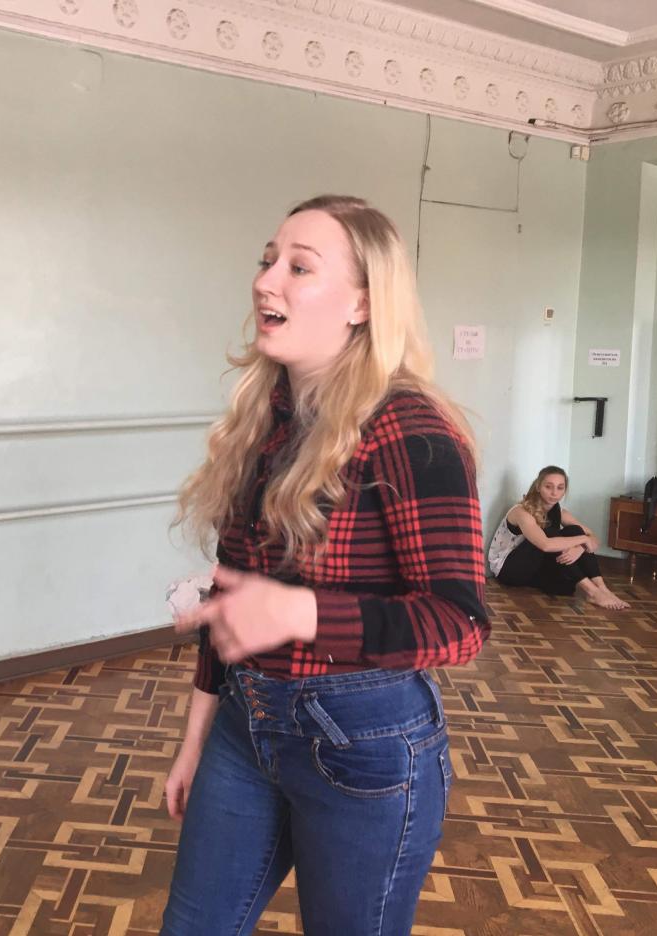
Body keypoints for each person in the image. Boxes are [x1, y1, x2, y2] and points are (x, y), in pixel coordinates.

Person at [162, 195, 490, 936]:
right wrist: (195, 742)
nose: (266, 280)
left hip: (366, 745)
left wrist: (301, 612)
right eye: (267, 260)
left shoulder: (411, 430)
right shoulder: (265, 421)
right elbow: (230, 604)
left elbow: (460, 623)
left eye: (299, 267)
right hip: (246, 725)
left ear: (363, 304)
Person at [487, 466, 629, 609]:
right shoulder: (521, 511)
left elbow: (593, 538)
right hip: (509, 569)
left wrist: (580, 548)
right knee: (551, 534)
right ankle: (592, 592)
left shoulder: (560, 512)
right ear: (538, 487)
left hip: (535, 565)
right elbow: (546, 545)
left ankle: (602, 588)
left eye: (560, 488)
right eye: (548, 487)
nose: (554, 493)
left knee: (566, 581)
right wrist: (583, 540)